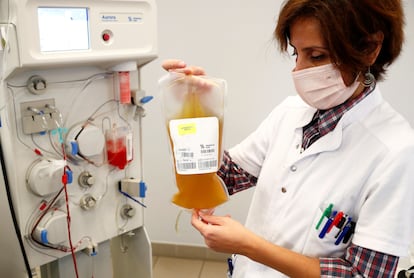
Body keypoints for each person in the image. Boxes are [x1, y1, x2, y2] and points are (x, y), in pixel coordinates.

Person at [162, 0, 414, 277]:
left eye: (316, 56)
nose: (299, 70)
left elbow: (363, 274)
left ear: (369, 48)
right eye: (296, 54)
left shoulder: (396, 150)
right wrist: (193, 108)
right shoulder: (289, 112)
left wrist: (250, 246)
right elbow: (227, 177)